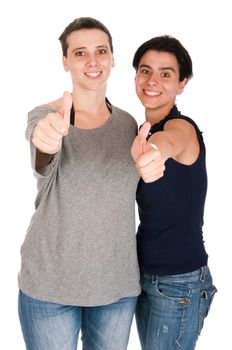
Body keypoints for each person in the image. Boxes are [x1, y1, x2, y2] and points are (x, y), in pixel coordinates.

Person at [18, 17, 160, 350]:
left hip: (116, 287)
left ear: (112, 58)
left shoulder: (129, 125)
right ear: (66, 62)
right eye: (80, 53)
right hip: (50, 287)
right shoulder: (47, 116)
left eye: (100, 51)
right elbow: (42, 149)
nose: (92, 61)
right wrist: (48, 137)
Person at [131, 35, 217, 350]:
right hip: (143, 275)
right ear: (136, 76)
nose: (153, 81)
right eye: (145, 71)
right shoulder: (141, 133)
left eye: (166, 74)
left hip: (179, 284)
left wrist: (155, 152)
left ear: (181, 84)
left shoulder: (182, 128)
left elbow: (170, 142)